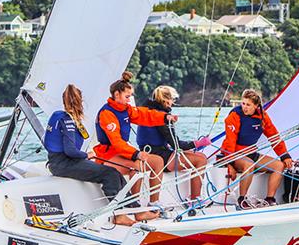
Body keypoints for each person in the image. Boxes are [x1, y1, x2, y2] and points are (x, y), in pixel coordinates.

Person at [44, 84, 136, 226]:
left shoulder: (57, 115)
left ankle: (133, 206)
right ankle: (118, 214)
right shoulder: (67, 120)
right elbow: (70, 151)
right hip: (64, 164)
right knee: (109, 174)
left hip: (58, 162)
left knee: (115, 173)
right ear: (80, 102)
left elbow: (49, 143)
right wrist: (86, 155)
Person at [93, 72, 175, 215]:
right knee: (137, 166)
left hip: (122, 153)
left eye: (131, 96)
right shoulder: (107, 113)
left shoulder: (126, 109)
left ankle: (154, 202)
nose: (130, 99)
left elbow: (145, 115)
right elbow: (117, 143)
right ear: (116, 94)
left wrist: (165, 117)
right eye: (127, 96)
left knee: (158, 161)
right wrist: (136, 153)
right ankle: (135, 205)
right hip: (107, 156)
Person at [136, 85, 211, 202]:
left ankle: (195, 198)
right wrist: (198, 143)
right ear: (166, 100)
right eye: (172, 99)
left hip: (151, 152)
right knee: (201, 159)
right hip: (159, 156)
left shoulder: (148, 112)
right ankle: (194, 200)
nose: (173, 102)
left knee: (194, 155)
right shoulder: (162, 117)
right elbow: (177, 144)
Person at [221, 89, 293, 209]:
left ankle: (269, 199)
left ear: (256, 106)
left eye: (248, 105)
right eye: (243, 103)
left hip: (251, 153)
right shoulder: (234, 116)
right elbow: (230, 142)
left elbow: (274, 137)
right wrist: (229, 164)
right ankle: (242, 200)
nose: (244, 107)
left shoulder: (262, 117)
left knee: (279, 166)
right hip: (234, 154)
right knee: (249, 165)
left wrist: (285, 155)